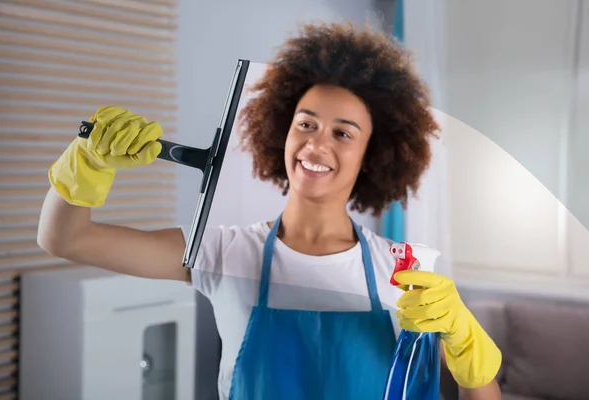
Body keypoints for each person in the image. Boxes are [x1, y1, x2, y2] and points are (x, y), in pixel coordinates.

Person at [38, 21, 502, 400]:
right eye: (306, 124)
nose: (316, 143)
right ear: (282, 132)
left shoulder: (407, 271)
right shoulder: (222, 252)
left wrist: (468, 350)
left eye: (343, 133)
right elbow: (66, 238)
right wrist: (89, 162)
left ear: (373, 155)